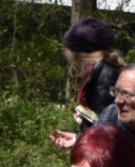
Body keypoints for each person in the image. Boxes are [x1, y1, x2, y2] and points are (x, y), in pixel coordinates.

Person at [50, 17, 125, 147]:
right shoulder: (100, 70)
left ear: (80, 53)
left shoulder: (106, 76)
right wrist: (79, 136)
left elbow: (109, 129)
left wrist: (84, 126)